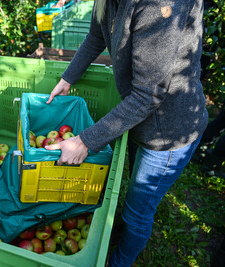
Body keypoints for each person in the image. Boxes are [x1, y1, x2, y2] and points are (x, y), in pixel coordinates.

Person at [45, 0, 208, 266]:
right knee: (134, 193)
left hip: (169, 131)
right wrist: (68, 78)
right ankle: (123, 236)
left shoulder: (160, 5)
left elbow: (148, 93)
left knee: (137, 214)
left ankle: (118, 262)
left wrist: (85, 141)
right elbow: (95, 36)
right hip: (140, 119)